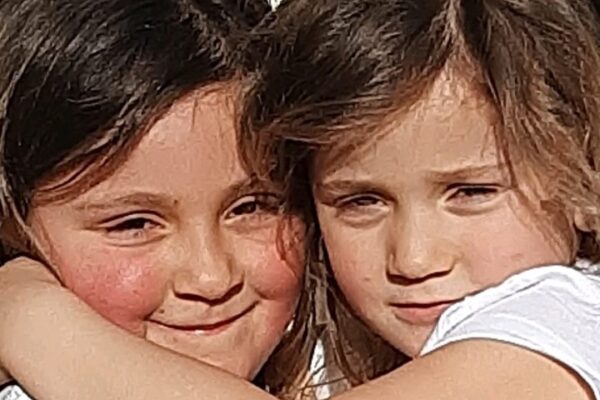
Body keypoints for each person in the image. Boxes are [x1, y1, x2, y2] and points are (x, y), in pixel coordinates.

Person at [2, 0, 600, 399]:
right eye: (361, 201)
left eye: (472, 191)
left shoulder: (565, 320)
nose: (414, 258)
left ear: (586, 180)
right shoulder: (330, 349)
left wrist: (29, 315)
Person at [0, 0, 315, 399]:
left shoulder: (354, 353)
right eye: (134, 224)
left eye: (252, 207)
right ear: (11, 223)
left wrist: (26, 316)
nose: (211, 278)